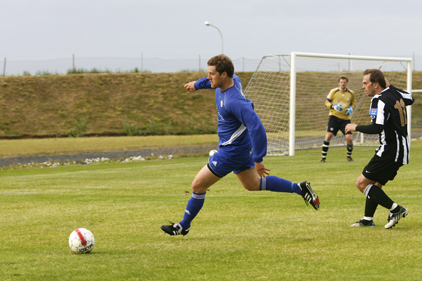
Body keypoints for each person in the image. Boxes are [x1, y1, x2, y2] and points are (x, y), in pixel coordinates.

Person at [161, 54, 320, 236]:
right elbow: (208, 83)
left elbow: (257, 127)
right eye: (208, 73)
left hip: (232, 152)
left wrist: (259, 159)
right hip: (241, 148)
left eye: (212, 74)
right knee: (252, 184)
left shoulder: (234, 101)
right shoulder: (232, 80)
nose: (208, 77)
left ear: (224, 74)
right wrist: (196, 85)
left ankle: (183, 226)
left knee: (197, 185)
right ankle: (299, 188)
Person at [345, 69, 414, 229]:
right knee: (375, 185)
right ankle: (368, 219)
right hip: (402, 149)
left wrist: (356, 127)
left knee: (361, 183)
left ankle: (396, 209)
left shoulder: (378, 100)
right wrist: (390, 85)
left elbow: (377, 127)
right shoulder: (396, 94)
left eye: (365, 83)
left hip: (390, 149)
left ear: (375, 84)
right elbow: (410, 98)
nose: (363, 87)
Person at [321, 76, 356, 162]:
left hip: (345, 119)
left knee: (349, 138)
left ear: (347, 83)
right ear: (339, 83)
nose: (343, 84)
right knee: (329, 135)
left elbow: (353, 103)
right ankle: (323, 158)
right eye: (341, 82)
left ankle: (349, 156)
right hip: (334, 117)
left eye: (344, 82)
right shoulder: (334, 91)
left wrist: (351, 108)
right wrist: (333, 106)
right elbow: (327, 102)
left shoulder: (351, 93)